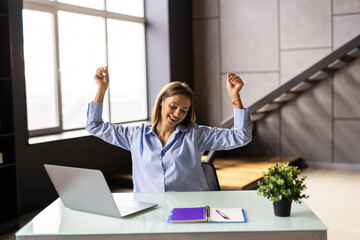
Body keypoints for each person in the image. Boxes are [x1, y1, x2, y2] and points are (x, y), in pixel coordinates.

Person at [86, 66, 252, 192]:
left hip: (190, 210)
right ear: (161, 103)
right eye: (173, 106)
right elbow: (94, 125)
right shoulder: (136, 136)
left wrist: (235, 97)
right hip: (150, 212)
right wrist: (101, 89)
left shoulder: (195, 135)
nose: (177, 113)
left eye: (184, 110)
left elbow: (241, 136)